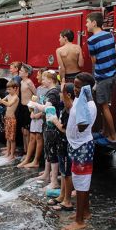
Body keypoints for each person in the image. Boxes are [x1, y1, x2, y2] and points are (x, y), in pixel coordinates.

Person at [62, 72, 97, 230]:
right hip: (75, 145)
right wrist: (65, 94)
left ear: (87, 88)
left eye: (78, 86)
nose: (74, 89)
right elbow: (71, 110)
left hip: (83, 147)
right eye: (74, 85)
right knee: (80, 181)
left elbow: (82, 126)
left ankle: (79, 220)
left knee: (81, 183)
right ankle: (86, 212)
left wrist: (80, 100)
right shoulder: (79, 99)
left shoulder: (88, 105)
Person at [86, 12, 116, 145]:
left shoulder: (91, 40)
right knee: (106, 104)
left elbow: (94, 61)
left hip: (102, 77)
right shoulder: (109, 35)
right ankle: (105, 132)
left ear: (94, 23)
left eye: (88, 22)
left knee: (104, 107)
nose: (86, 25)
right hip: (113, 74)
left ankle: (113, 136)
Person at [29, 70, 61, 189]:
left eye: (44, 78)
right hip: (48, 124)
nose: (42, 80)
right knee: (48, 150)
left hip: (52, 126)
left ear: (51, 79)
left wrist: (35, 105)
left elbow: (47, 108)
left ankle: (54, 181)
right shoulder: (53, 90)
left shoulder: (53, 92)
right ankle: (47, 174)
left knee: (52, 151)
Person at [50, 83, 75, 211]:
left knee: (67, 173)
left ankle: (67, 201)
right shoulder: (65, 107)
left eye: (62, 92)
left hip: (66, 144)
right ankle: (62, 196)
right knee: (64, 172)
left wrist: (54, 121)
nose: (60, 95)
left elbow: (66, 130)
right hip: (61, 144)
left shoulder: (71, 110)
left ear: (68, 95)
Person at [17, 68, 47, 168]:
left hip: (41, 116)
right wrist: (32, 112)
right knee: (32, 137)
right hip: (34, 115)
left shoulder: (48, 90)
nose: (37, 76)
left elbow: (47, 105)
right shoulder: (39, 88)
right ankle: (27, 158)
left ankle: (36, 160)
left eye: (38, 75)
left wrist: (39, 114)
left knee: (38, 137)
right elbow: (36, 102)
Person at [0, 80, 19, 160]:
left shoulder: (15, 97)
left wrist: (1, 101)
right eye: (7, 89)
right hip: (7, 118)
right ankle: (8, 152)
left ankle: (12, 154)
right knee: (7, 137)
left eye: (10, 89)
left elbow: (9, 104)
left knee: (12, 138)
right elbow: (1, 101)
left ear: (15, 88)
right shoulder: (8, 95)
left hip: (12, 119)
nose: (8, 91)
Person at [19, 64, 36, 154]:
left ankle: (29, 152)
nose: (19, 71)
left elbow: (35, 93)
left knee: (27, 131)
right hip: (22, 107)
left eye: (21, 71)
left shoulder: (29, 82)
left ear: (26, 73)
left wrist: (33, 106)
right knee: (23, 130)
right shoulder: (22, 82)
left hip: (27, 108)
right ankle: (25, 149)